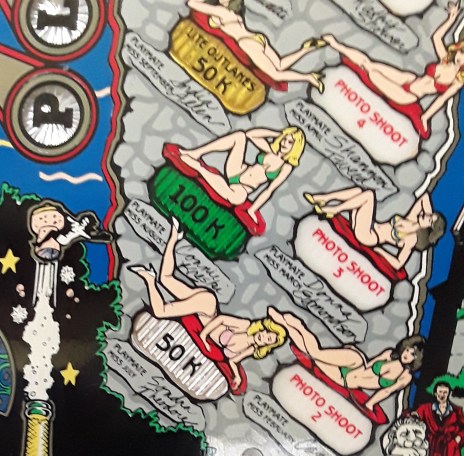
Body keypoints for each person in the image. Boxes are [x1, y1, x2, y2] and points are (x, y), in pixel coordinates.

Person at [130, 218, 287, 389]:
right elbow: (221, 320)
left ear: (267, 345)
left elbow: (233, 361)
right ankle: (149, 279)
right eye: (267, 333)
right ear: (263, 328)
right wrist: (204, 337)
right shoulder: (245, 326)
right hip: (207, 307)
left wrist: (236, 377)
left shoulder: (249, 349)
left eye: (269, 340)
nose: (264, 337)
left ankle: (174, 237)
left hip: (202, 311)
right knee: (160, 311)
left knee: (165, 279)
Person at [320, 3, 464, 134]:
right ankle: (336, 45)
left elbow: (442, 99)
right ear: (458, 49)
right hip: (409, 79)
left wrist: (425, 117)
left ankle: (338, 47)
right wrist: (451, 19)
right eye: (462, 52)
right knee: (368, 64)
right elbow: (437, 38)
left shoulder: (458, 81)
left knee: (373, 74)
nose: (461, 58)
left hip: (408, 96)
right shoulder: (445, 58)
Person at [277, 307, 424, 412]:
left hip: (346, 380)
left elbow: (387, 391)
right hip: (356, 363)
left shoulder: (405, 376)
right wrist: (355, 352)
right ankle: (297, 325)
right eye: (408, 349)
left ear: (416, 360)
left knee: (312, 355)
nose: (407, 354)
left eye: (413, 354)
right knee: (317, 353)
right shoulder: (390, 354)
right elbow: (369, 365)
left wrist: (370, 404)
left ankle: (287, 325)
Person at [179, 125, 306, 225]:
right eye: (284, 139)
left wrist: (252, 210)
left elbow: (269, 190)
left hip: (243, 188)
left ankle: (199, 168)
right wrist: (277, 133)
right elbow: (250, 134)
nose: (284, 143)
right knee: (240, 136)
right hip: (237, 171)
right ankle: (196, 153)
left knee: (237, 198)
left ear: (296, 147)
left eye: (290, 142)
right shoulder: (270, 150)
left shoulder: (286, 167)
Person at [187, 0, 325, 90]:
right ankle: (306, 48)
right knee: (280, 65)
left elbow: (192, 3)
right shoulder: (235, 13)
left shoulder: (221, 11)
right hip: (257, 38)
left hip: (247, 42)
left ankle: (309, 77)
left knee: (276, 75)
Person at [302, 189, 445, 271]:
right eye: (429, 214)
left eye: (429, 219)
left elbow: (398, 263)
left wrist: (381, 251)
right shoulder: (412, 218)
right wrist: (430, 219)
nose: (426, 215)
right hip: (368, 224)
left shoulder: (412, 238)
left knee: (369, 196)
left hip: (369, 236)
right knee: (358, 191)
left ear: (428, 228)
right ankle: (324, 198)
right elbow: (425, 197)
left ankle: (334, 209)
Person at [413, 380, 464, 456]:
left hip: (451, 449)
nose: (442, 395)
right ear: (435, 393)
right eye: (440, 392)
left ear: (449, 394)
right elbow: (413, 417)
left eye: (445, 392)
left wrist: (458, 438)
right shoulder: (426, 409)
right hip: (436, 448)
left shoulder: (456, 410)